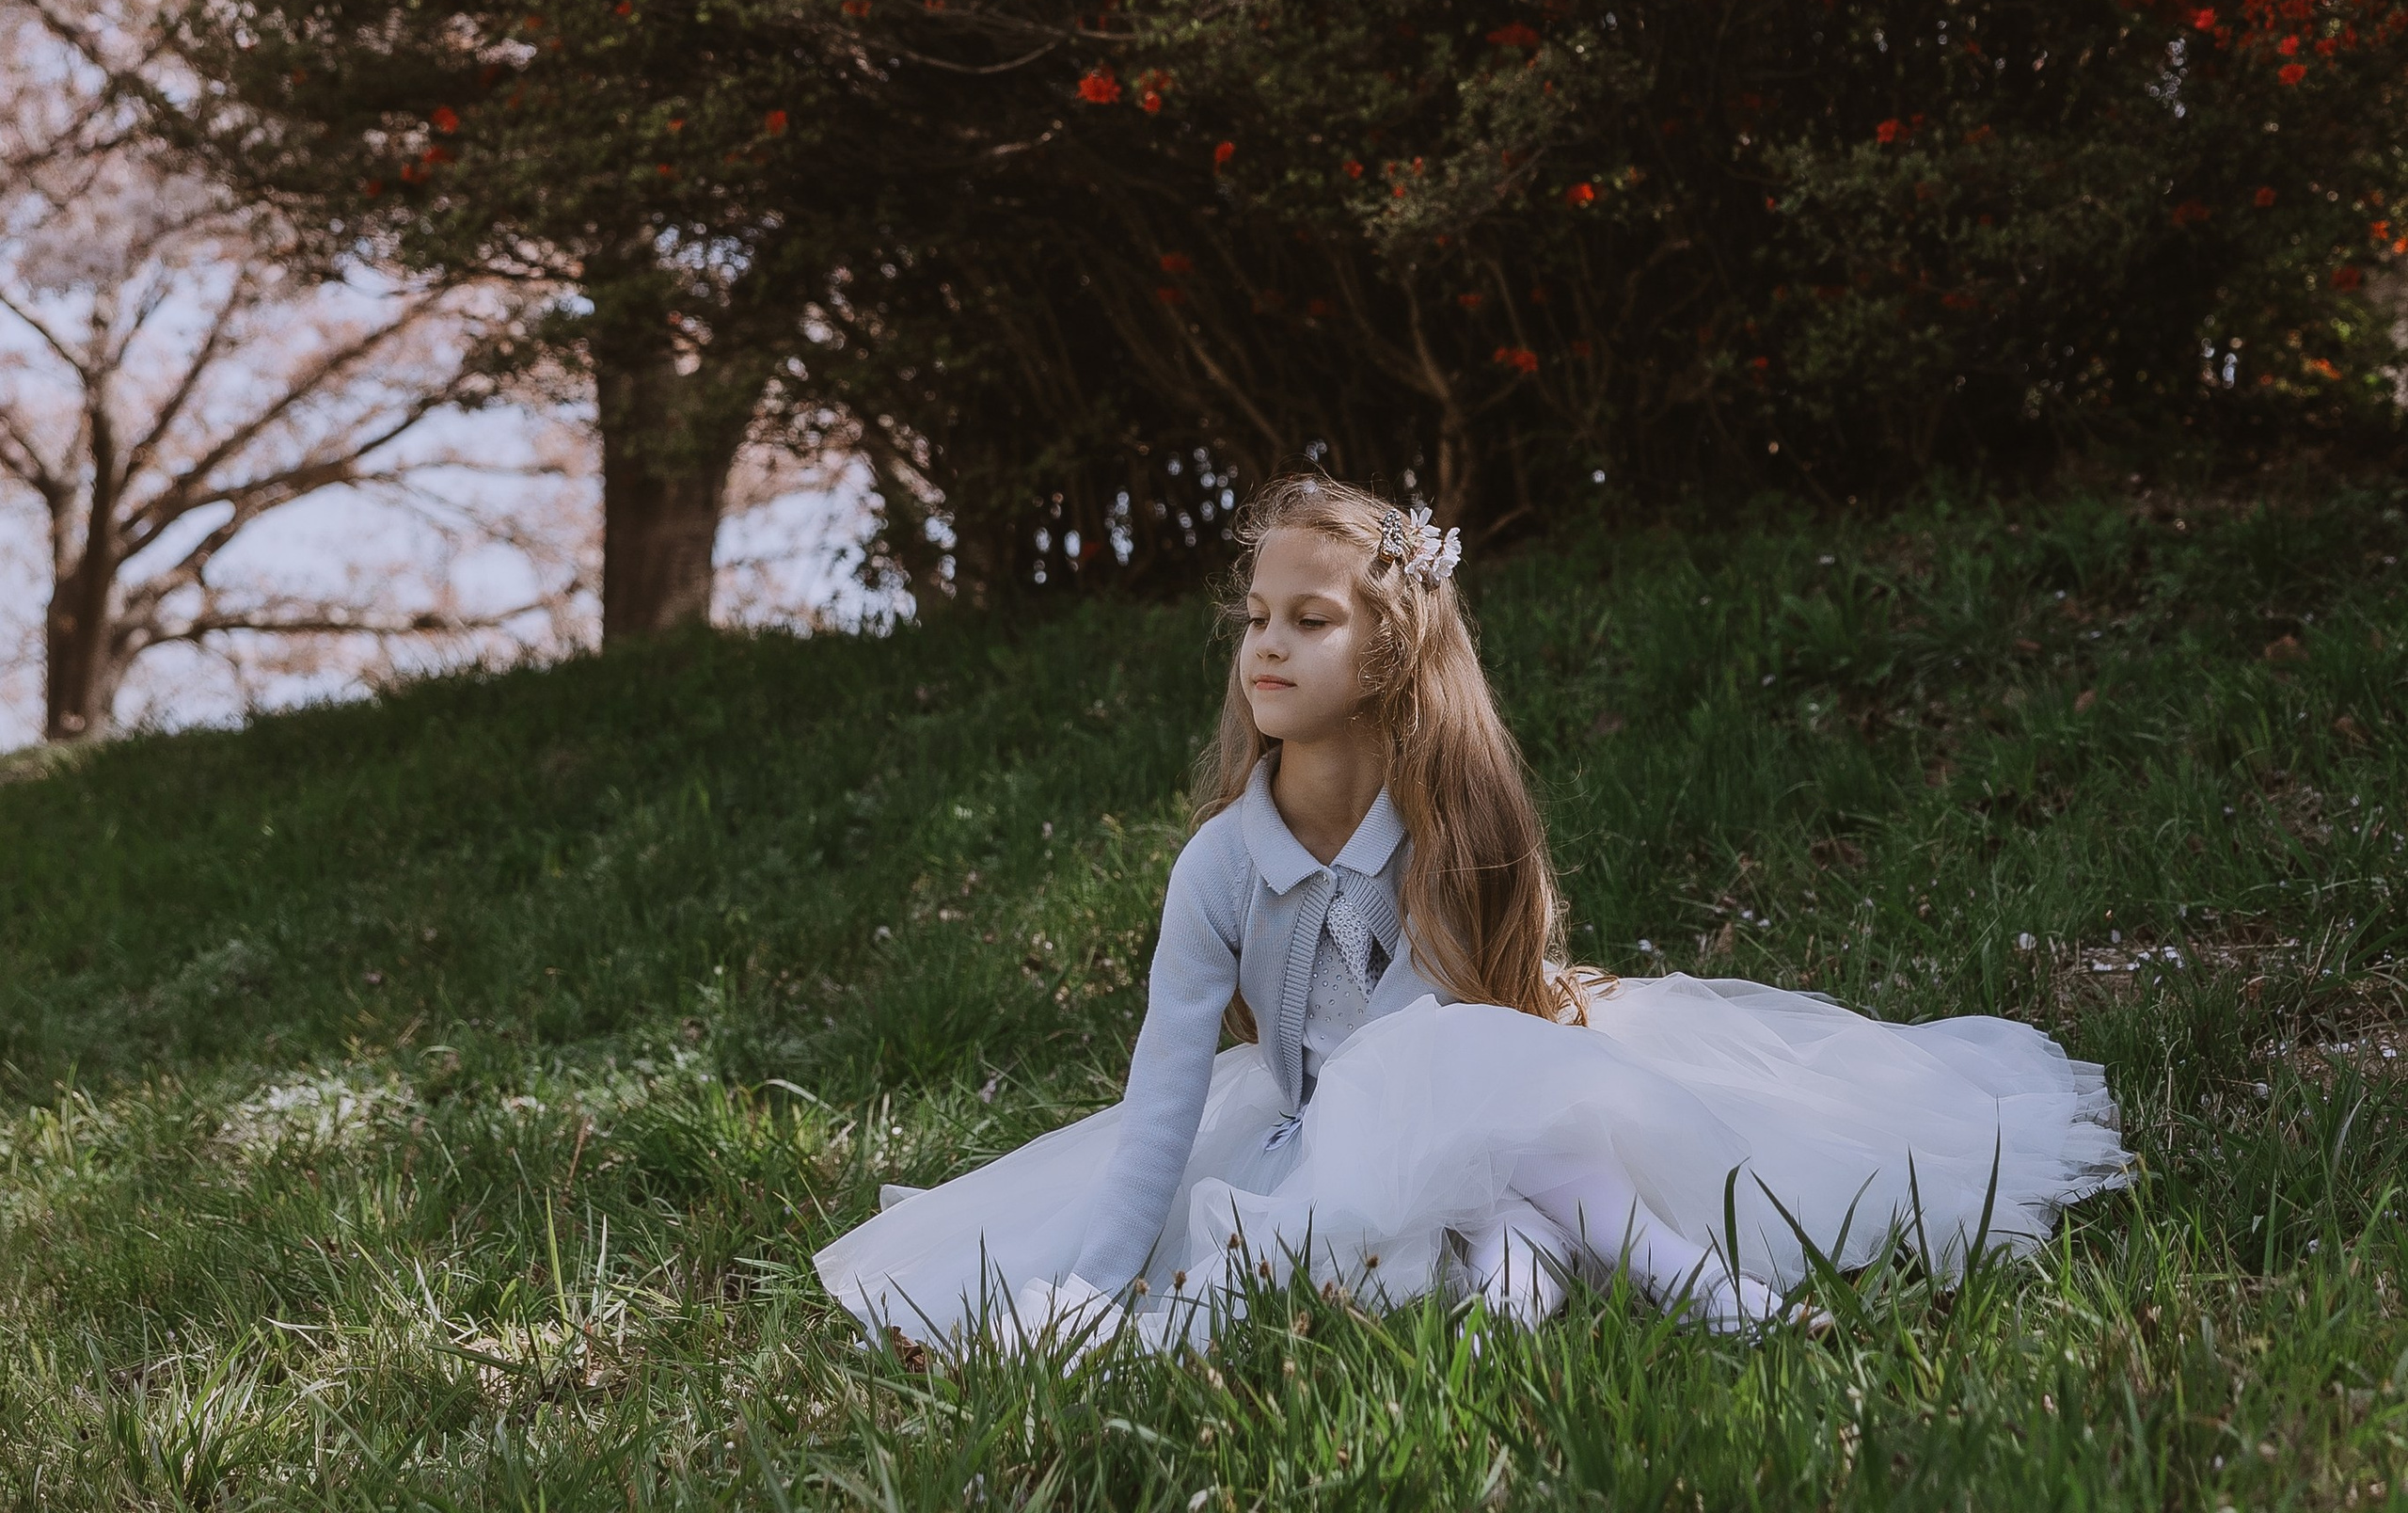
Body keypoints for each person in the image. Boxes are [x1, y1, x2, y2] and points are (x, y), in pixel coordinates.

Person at [815, 472, 2127, 1355]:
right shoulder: (1219, 867)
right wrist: (1095, 1279)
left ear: (1388, 649)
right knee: (1448, 1235)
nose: (1266, 644)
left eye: (1309, 619)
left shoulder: (1445, 826)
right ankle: (1540, 1295)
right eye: (1256, 617)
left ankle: (1682, 1276)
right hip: (1309, 1134)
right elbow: (1163, 1095)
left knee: (1478, 1111)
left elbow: (1451, 1045)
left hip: (1492, 1094)